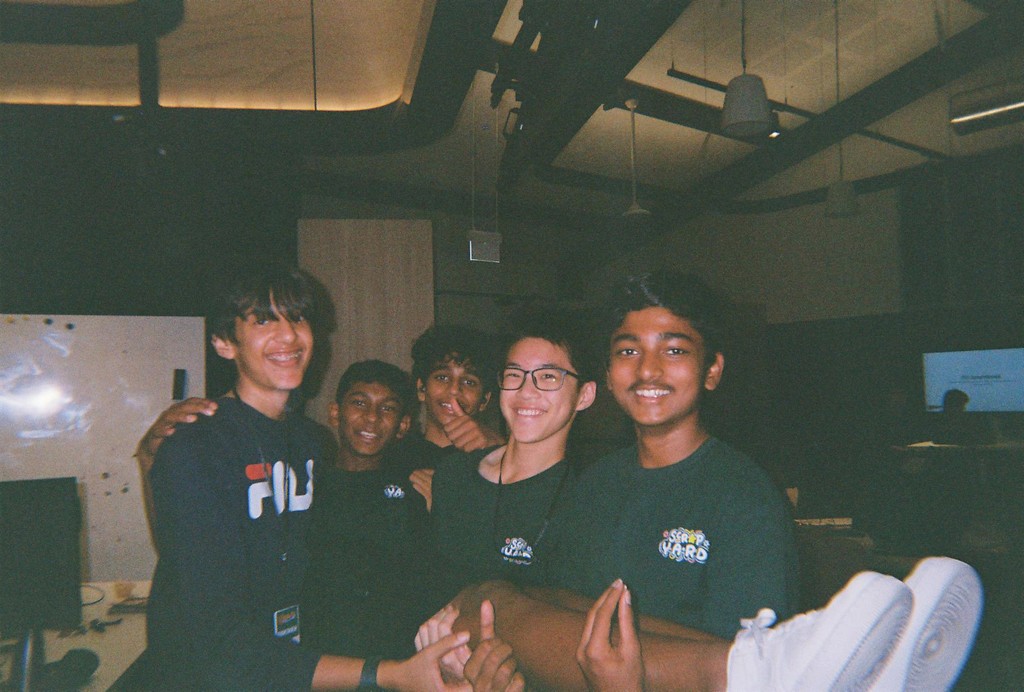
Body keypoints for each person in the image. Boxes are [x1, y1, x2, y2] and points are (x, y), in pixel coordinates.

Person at [142, 267, 482, 690]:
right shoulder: (198, 444)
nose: (288, 335)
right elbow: (213, 632)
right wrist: (390, 674)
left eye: (298, 318)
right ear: (224, 342)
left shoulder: (308, 442)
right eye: (264, 319)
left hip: (284, 666)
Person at [428, 312, 597, 601]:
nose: (525, 391)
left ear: (584, 395)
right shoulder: (453, 474)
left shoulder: (590, 498)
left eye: (547, 376)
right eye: (514, 375)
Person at [301, 359, 439, 660]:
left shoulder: (415, 490)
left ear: (403, 425)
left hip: (393, 662)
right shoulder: (305, 484)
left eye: (387, 408)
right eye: (360, 403)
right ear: (335, 413)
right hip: (318, 661)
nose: (372, 418)